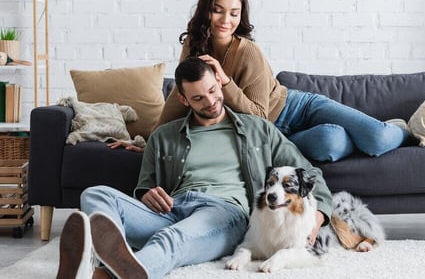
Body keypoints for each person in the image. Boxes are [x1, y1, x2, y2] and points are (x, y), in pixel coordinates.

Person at [58, 57, 333, 279]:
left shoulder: (257, 130)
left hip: (224, 213)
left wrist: (318, 216)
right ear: (184, 100)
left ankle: (102, 276)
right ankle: (102, 251)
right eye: (198, 98)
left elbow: (310, 174)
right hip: (171, 209)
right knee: (95, 194)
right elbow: (145, 184)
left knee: (171, 239)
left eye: (213, 91)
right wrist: (146, 194)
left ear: (219, 83)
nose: (211, 102)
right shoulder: (163, 136)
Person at [152, 0, 409, 162]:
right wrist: (149, 141)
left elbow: (260, 114)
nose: (225, 20)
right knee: (331, 143)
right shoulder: (193, 45)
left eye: (234, 13)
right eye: (217, 11)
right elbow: (180, 96)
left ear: (241, 16)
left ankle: (400, 129)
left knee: (377, 140)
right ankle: (353, 137)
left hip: (297, 109)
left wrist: (226, 82)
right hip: (271, 134)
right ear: (206, 11)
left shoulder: (248, 52)